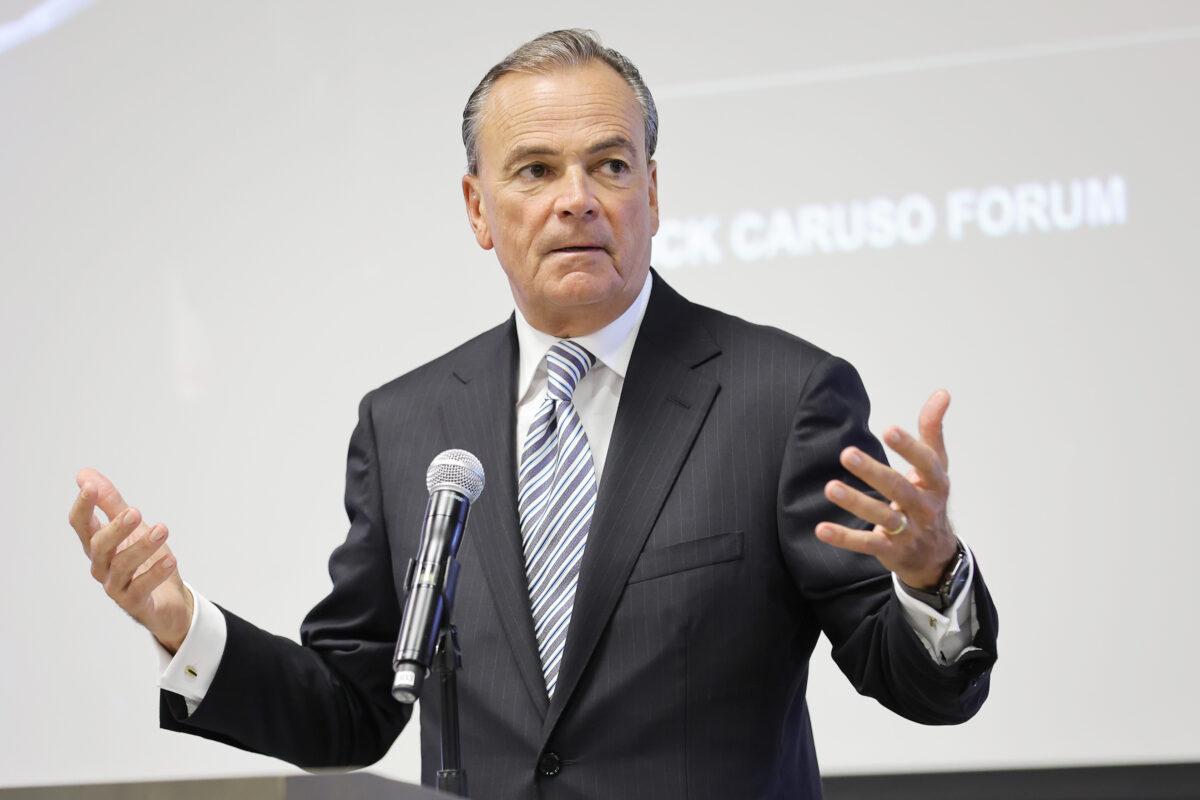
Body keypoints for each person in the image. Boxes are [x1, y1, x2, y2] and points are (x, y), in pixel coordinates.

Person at [68, 29, 997, 799]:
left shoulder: (780, 395)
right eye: (535, 169)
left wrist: (931, 576)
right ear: (478, 208)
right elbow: (352, 706)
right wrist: (182, 623)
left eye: (610, 164)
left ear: (654, 194)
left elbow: (917, 682)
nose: (576, 199)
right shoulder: (409, 423)